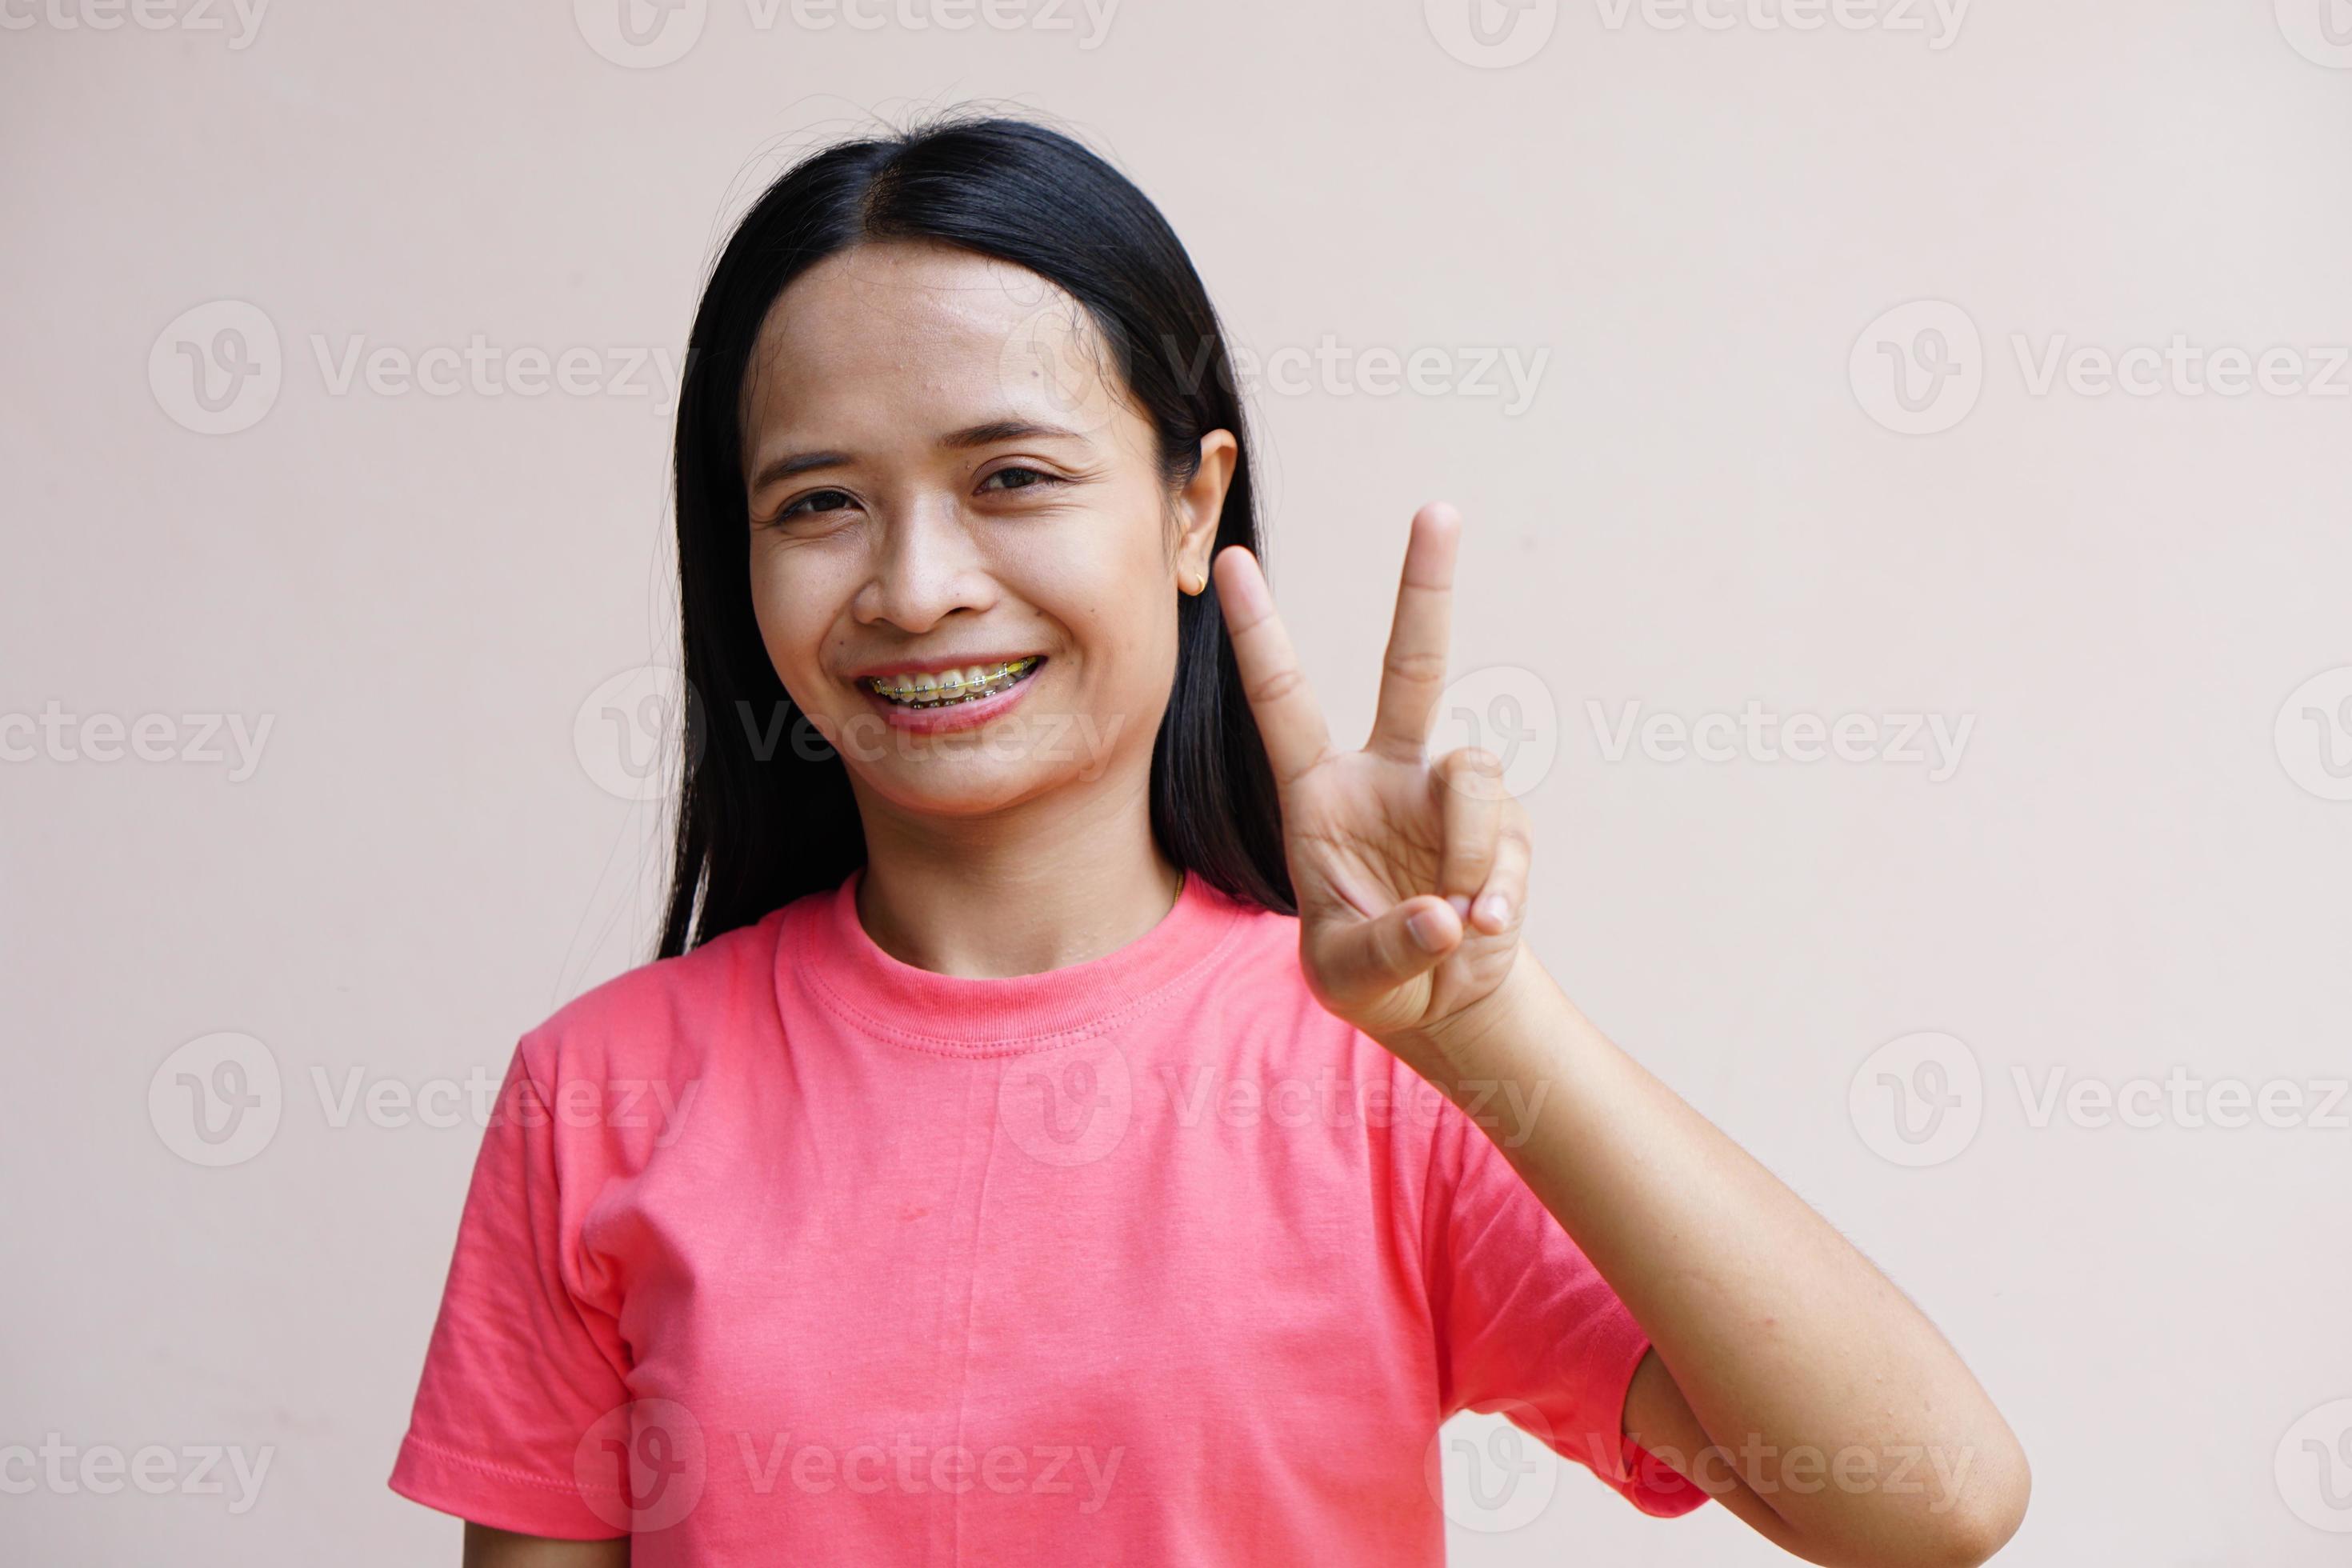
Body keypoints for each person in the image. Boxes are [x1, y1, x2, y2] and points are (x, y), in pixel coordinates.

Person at [389, 112, 2030, 1566]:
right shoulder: (597, 1092)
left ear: (1193, 503)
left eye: (1013, 475)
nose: (913, 583)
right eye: (818, 502)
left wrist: (1487, 1018)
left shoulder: (1385, 1067)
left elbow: (1927, 1500)